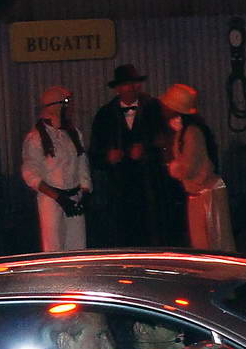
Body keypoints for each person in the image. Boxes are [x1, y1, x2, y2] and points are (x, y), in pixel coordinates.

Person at [88, 64, 181, 247]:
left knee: (153, 237)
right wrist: (108, 158)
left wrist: (146, 150)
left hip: (150, 188)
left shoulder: (154, 109)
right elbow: (94, 155)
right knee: (123, 239)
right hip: (119, 191)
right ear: (117, 88)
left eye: (134, 83)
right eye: (126, 84)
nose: (131, 88)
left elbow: (169, 142)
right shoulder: (105, 115)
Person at [160, 83, 235, 252]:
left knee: (215, 244)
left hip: (208, 195)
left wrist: (171, 166)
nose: (164, 109)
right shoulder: (184, 131)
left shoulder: (192, 133)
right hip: (199, 194)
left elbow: (189, 168)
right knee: (203, 245)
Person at [21, 86, 91, 252]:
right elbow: (30, 173)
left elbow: (82, 164)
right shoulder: (36, 137)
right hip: (51, 200)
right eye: (66, 103)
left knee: (78, 248)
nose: (70, 107)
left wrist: (85, 192)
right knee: (54, 247)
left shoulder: (73, 133)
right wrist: (58, 198)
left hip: (74, 197)